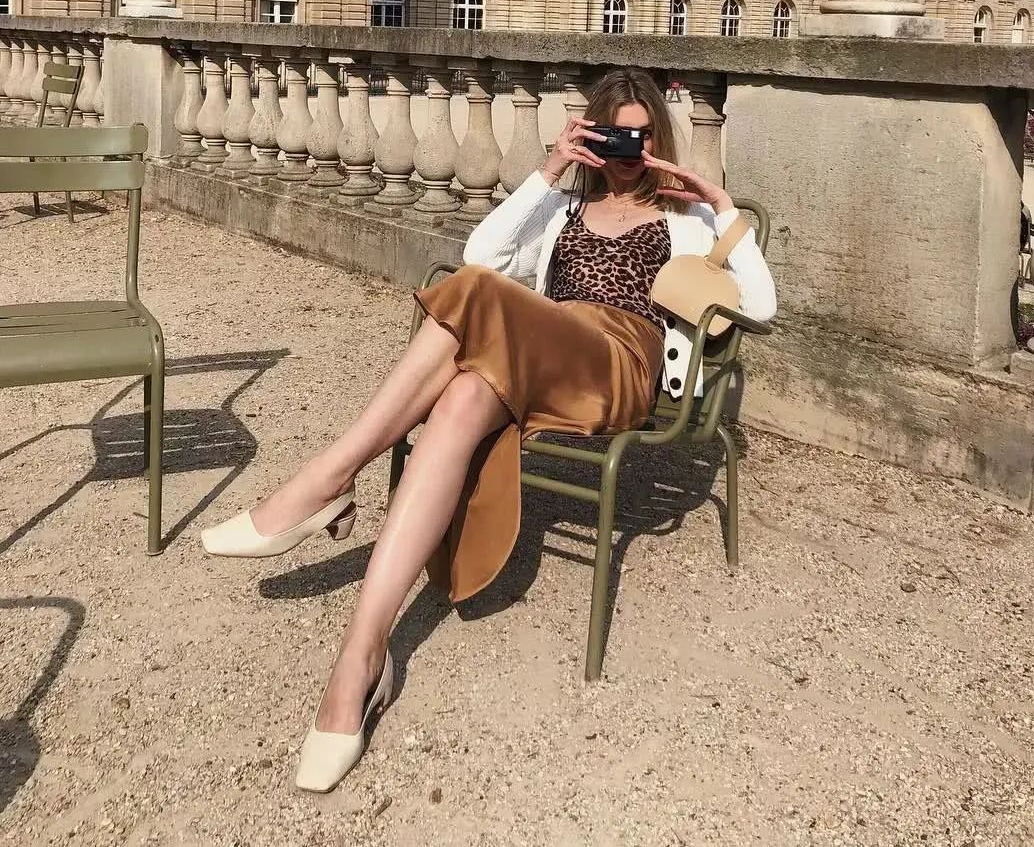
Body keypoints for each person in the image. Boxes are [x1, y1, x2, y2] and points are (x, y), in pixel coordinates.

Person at [200, 67, 777, 793]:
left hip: (617, 366)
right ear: (590, 135)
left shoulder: (686, 217)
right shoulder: (565, 204)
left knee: (473, 297)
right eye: (612, 134)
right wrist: (550, 169)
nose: (628, 150)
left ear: (659, 137)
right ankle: (361, 658)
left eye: (641, 136)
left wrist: (719, 203)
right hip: (538, 355)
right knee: (464, 396)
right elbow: (483, 251)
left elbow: (760, 305)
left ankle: (328, 478)